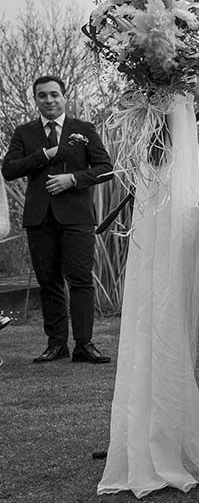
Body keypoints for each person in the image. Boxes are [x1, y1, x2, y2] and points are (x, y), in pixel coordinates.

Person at [2, 75, 113, 364]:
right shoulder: (24, 133)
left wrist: (73, 179)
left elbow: (105, 168)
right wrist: (42, 154)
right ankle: (56, 344)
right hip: (39, 219)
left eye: (54, 95)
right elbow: (9, 170)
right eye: (42, 96)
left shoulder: (83, 129)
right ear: (35, 100)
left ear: (64, 97)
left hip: (76, 217)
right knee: (48, 282)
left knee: (80, 280)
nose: (49, 100)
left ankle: (84, 344)